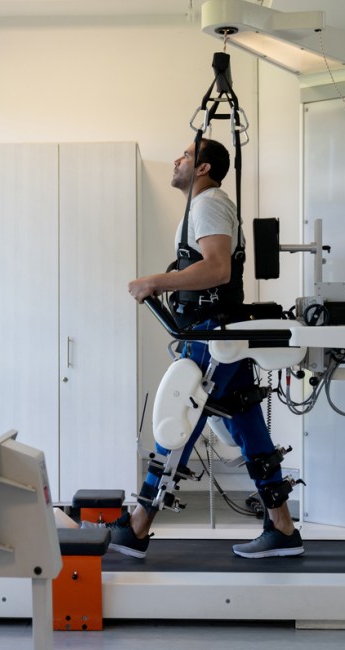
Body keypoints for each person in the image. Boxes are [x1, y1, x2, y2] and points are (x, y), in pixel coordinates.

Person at [113, 137, 304, 559]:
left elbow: (217, 269)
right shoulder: (204, 206)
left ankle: (138, 525)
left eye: (185, 155)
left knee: (180, 414)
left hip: (214, 333)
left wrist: (155, 281)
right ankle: (282, 528)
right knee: (247, 422)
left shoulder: (209, 204)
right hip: (217, 332)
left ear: (203, 168)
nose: (177, 159)